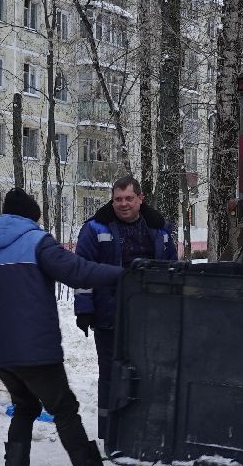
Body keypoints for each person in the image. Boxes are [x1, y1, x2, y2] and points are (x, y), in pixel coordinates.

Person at [0, 188, 131, 466]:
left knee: (25, 407)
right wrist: (124, 274)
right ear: (30, 216)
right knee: (64, 409)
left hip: (0, 352)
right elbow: (78, 271)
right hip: (35, 348)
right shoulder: (37, 242)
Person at [73, 176, 177, 410]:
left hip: (151, 318)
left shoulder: (159, 229)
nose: (123, 204)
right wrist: (84, 309)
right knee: (111, 375)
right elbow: (82, 271)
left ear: (141, 198)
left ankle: (141, 429)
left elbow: (172, 270)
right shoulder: (94, 228)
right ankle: (110, 432)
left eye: (129, 198)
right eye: (118, 199)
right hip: (110, 316)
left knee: (149, 372)